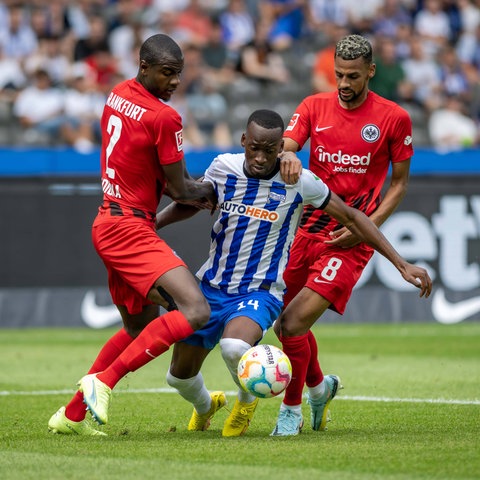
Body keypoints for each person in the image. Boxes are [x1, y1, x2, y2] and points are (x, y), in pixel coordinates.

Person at [157, 109, 431, 437]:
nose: (260, 157)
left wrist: (400, 262)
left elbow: (353, 217)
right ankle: (207, 406)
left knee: (234, 347)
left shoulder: (298, 182)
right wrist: (152, 224)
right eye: (254, 147)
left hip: (261, 291)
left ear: (281, 149)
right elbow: (195, 201)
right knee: (178, 378)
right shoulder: (222, 168)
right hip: (211, 285)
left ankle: (246, 401)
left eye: (269, 150)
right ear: (244, 141)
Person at [48, 33, 217, 436]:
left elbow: (154, 170)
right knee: (196, 310)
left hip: (109, 220)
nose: (175, 81)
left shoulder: (117, 93)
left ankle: (71, 416)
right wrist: (215, 189)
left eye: (179, 73)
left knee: (138, 328)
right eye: (167, 73)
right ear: (144, 67)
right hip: (127, 227)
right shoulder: (165, 117)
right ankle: (101, 382)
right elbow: (181, 190)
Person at [270, 34, 429, 436]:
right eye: (339, 74)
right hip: (305, 231)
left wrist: (364, 230)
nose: (343, 83)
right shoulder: (313, 105)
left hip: (352, 239)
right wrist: (287, 153)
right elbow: (288, 145)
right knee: (286, 326)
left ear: (370, 72)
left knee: (292, 323)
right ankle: (320, 388)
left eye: (353, 76)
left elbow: (399, 185)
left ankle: (291, 411)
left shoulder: (394, 117)